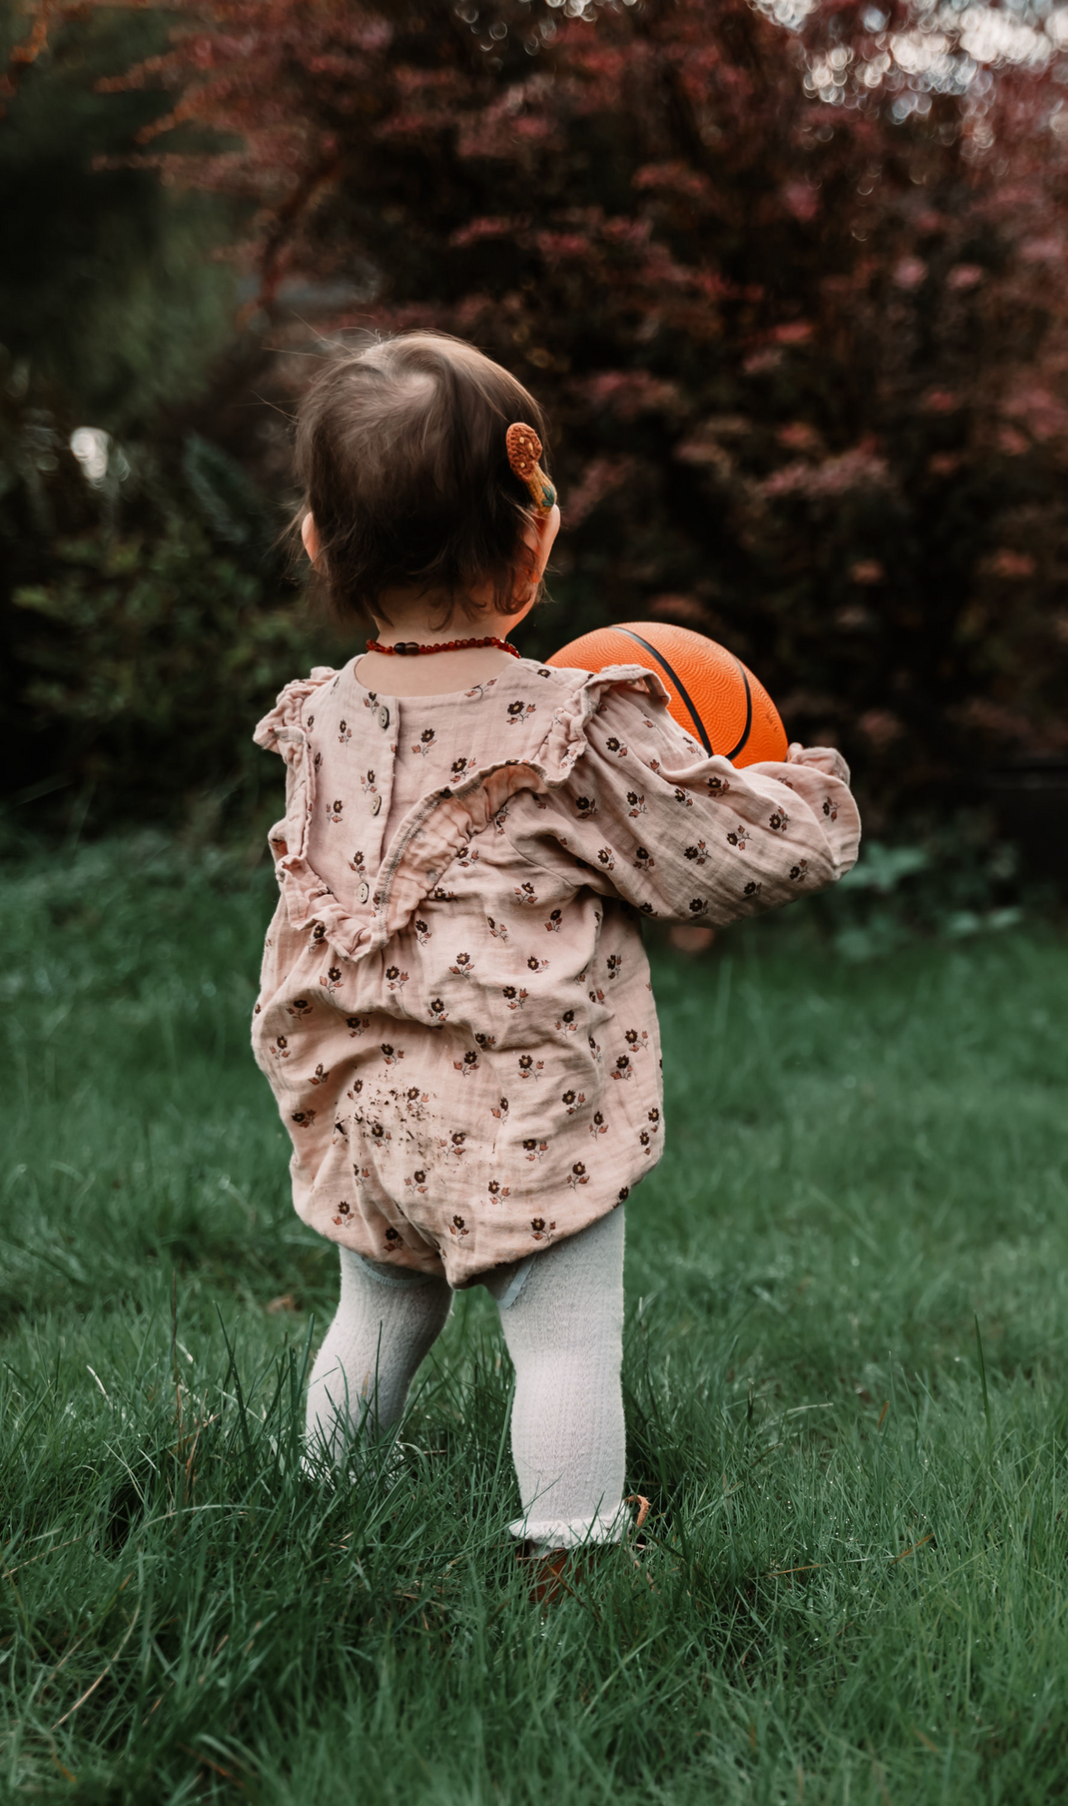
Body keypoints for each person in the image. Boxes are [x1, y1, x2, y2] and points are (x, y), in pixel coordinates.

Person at [252, 330, 859, 1591]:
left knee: (376, 1313)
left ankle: (316, 1515)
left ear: (318, 544)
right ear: (534, 542)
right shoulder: (570, 731)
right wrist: (795, 793)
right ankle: (570, 1570)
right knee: (565, 1343)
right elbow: (720, 854)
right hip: (531, 1112)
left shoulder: (317, 721)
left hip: (369, 1110)